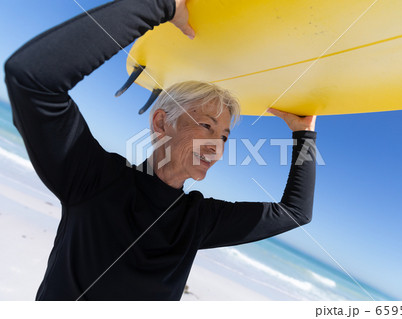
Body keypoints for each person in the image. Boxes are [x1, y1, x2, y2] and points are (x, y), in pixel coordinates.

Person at [4, 0, 317, 300]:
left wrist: (304, 137)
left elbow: (295, 213)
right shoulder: (93, 178)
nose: (215, 147)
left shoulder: (198, 220)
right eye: (207, 126)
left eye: (224, 137)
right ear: (161, 122)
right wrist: (160, 6)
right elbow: (31, 79)